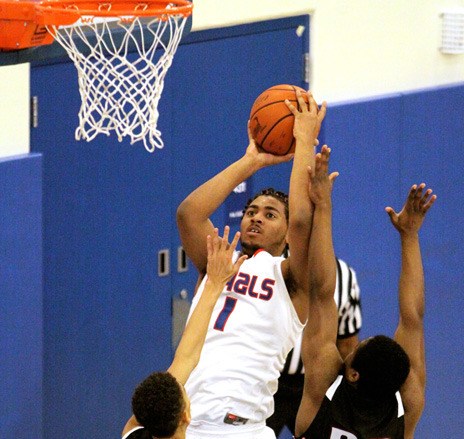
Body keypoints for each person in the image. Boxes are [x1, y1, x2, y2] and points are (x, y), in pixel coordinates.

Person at [176, 91, 326, 438]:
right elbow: (189, 214)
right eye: (250, 212)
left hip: (242, 428)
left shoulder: (291, 278)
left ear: (287, 235)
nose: (256, 218)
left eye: (270, 214)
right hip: (186, 423)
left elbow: (304, 221)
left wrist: (304, 142)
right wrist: (252, 162)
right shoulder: (217, 262)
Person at [294, 145, 436, 439]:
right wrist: (410, 235)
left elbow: (321, 291)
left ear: (352, 374)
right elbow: (412, 317)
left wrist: (322, 206)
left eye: (357, 347)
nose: (353, 344)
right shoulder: (407, 407)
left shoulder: (323, 389)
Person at [121, 227, 247, 439]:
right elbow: (186, 357)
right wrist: (215, 284)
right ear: (186, 416)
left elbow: (186, 358)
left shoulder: (132, 435)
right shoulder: (133, 430)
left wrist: (214, 285)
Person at [266, 257, 362, 437]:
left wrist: (345, 395)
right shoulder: (269, 267)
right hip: (267, 380)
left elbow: (347, 342)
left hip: (312, 387)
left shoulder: (344, 276)